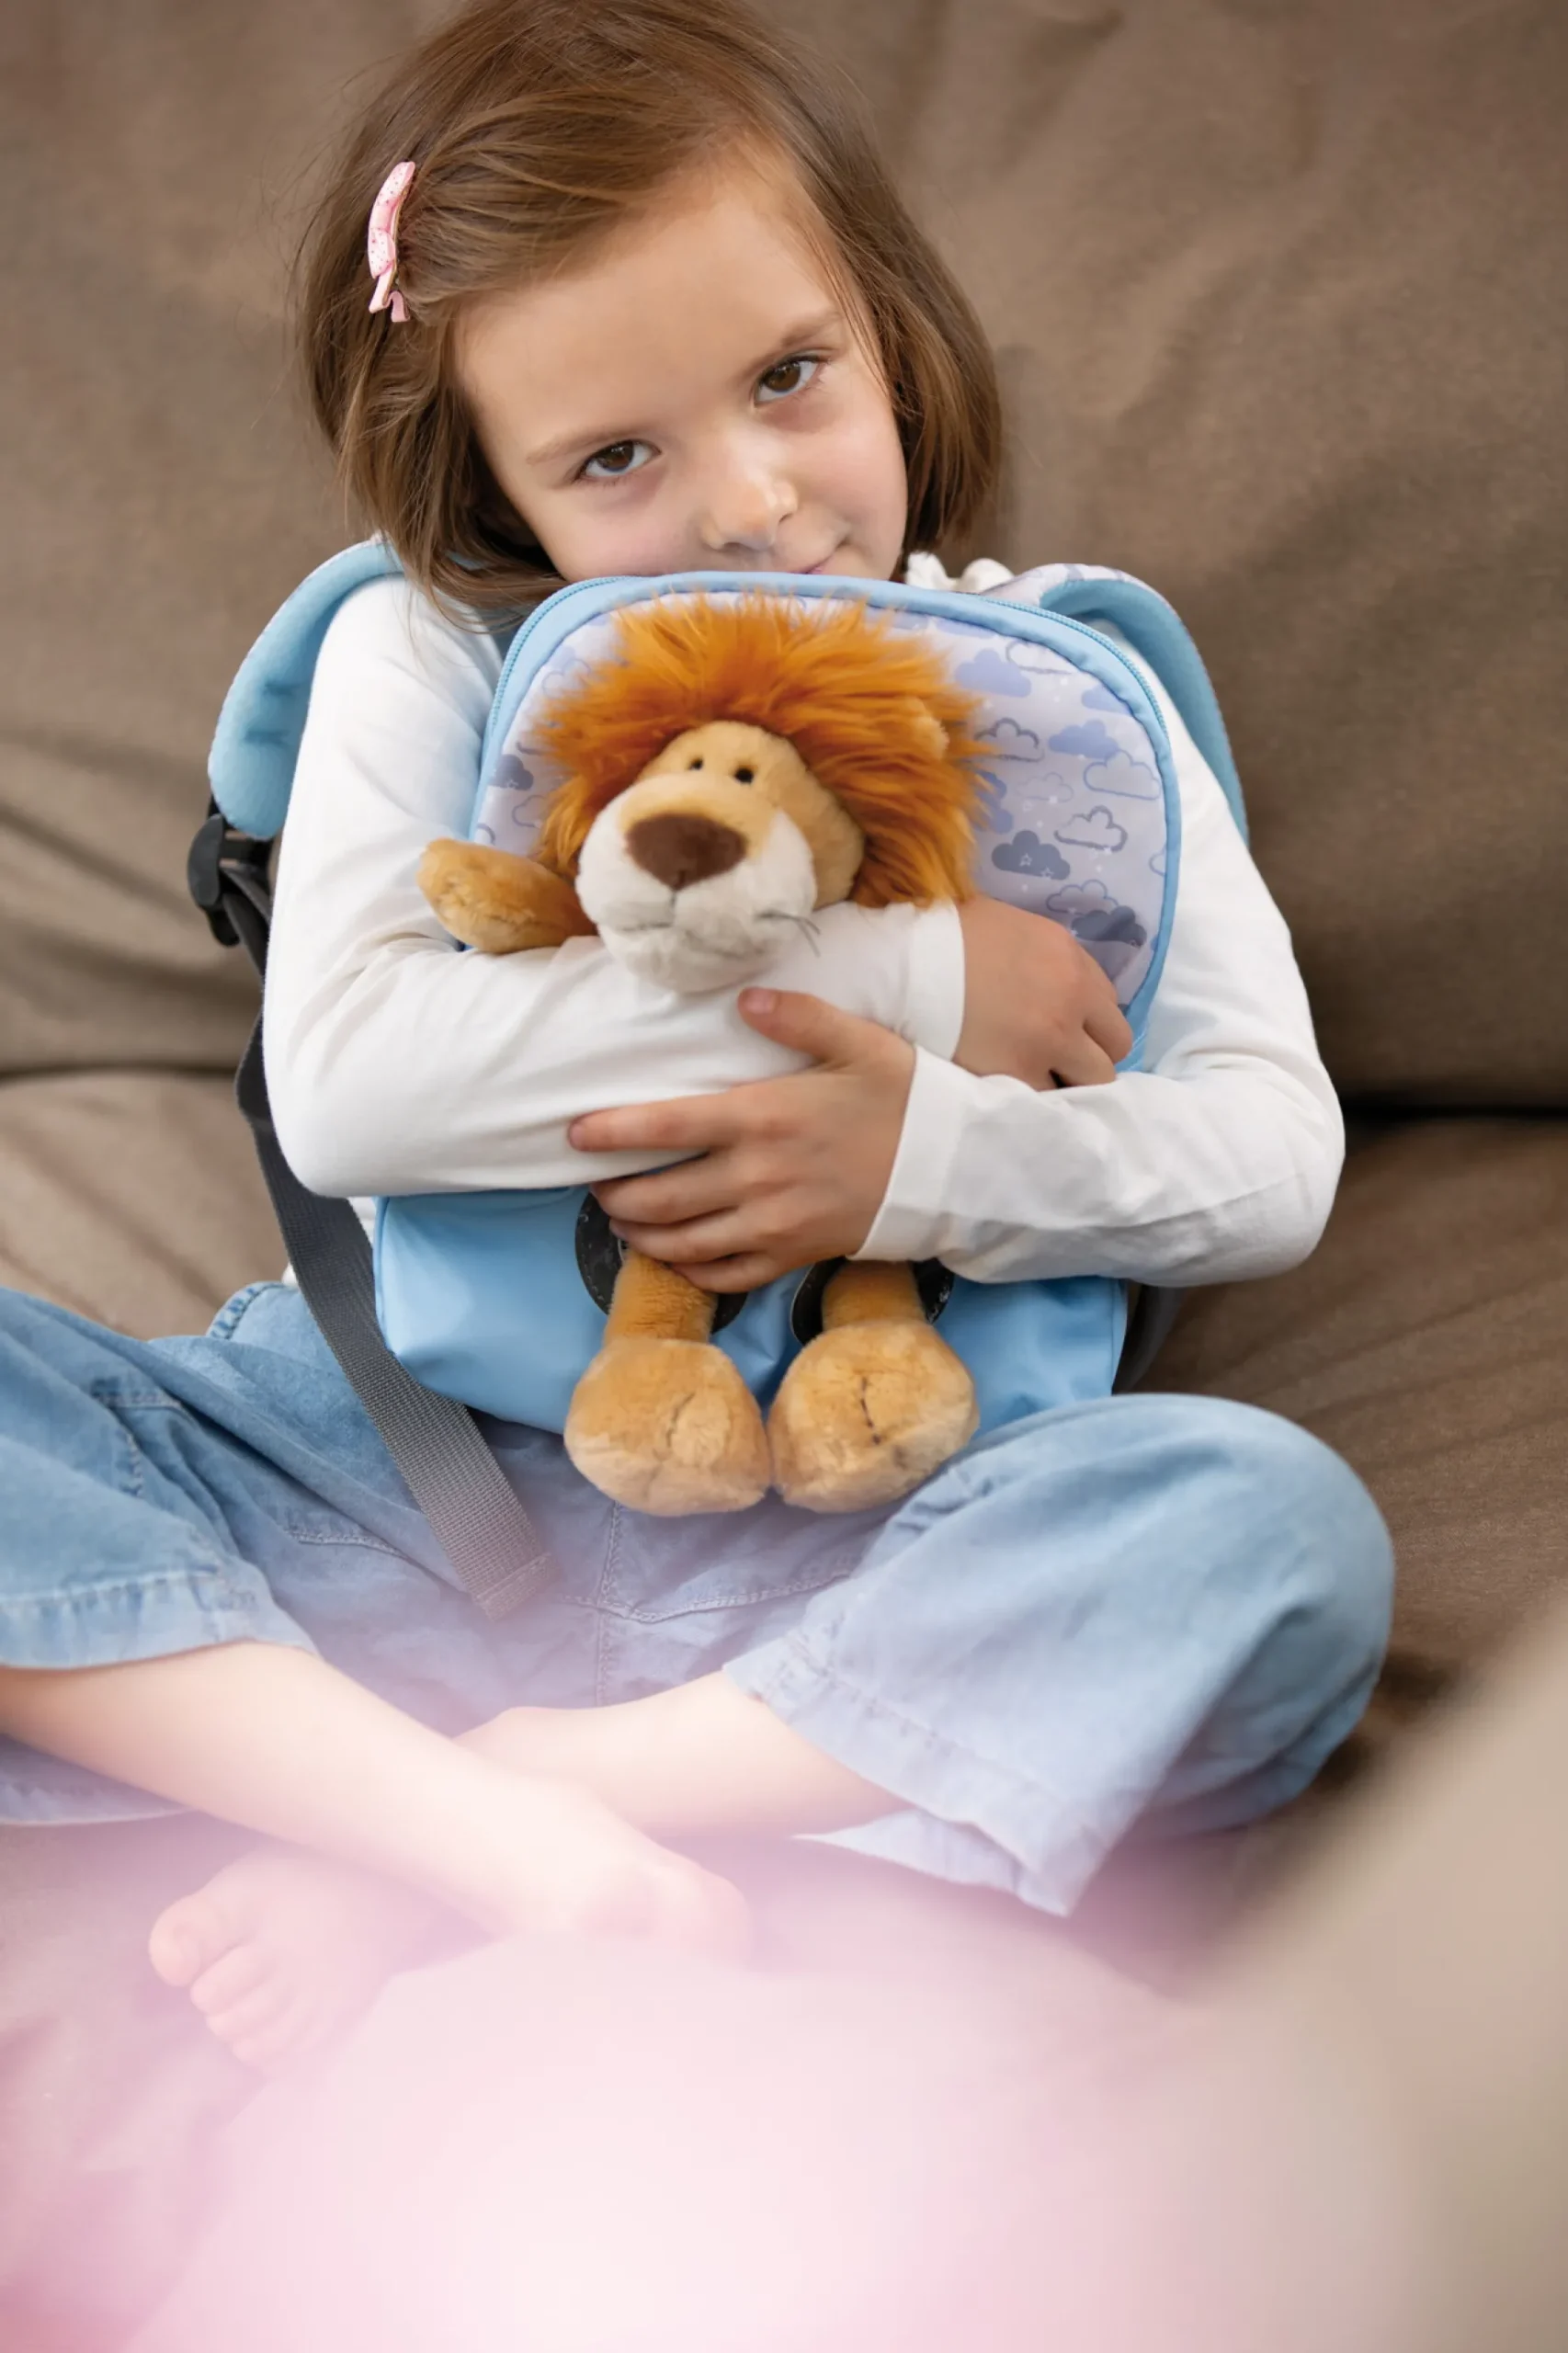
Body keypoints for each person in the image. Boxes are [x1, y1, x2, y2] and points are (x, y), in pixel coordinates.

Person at [0, 0, 1392, 2072]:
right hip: (392, 1479)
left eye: (787, 377)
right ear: (487, 485)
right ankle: (472, 1825)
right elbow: (359, 1074)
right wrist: (911, 989)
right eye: (615, 457)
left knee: (1276, 1538)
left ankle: (463, 1818)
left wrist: (914, 1157)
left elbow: (1267, 1159)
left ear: (891, 332)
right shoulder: (419, 645)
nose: (750, 498)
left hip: (865, 1569)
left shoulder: (1068, 689)